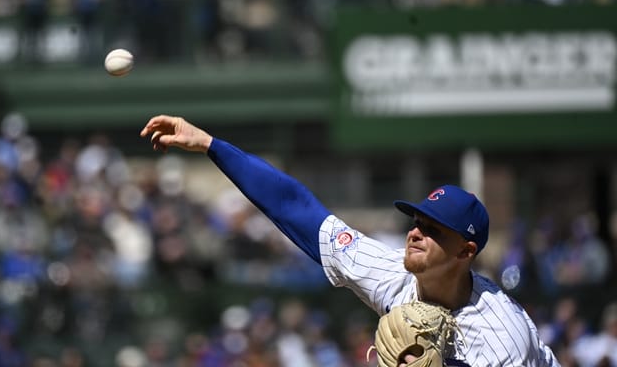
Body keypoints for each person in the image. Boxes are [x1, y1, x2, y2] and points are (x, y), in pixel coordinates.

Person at [140, 115, 561, 367]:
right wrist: (213, 145)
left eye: (434, 231)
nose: (415, 233)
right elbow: (297, 208)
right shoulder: (389, 273)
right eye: (417, 222)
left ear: (466, 252)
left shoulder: (501, 335)